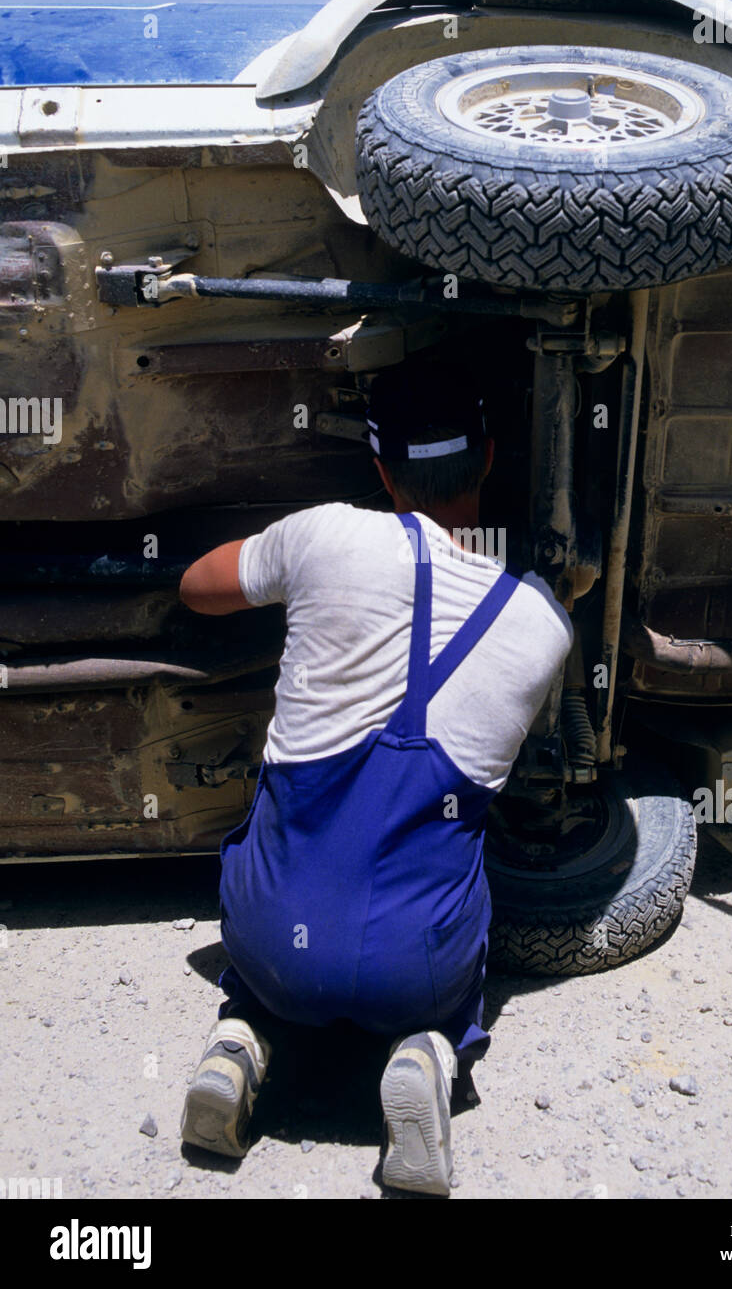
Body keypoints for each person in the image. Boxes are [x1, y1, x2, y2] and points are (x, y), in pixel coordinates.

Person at [177, 359, 572, 1195]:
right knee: (452, 917)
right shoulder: (542, 626)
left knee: (268, 956)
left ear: (381, 468)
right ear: (491, 458)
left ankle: (242, 1039)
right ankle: (429, 1049)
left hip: (270, 938)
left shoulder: (324, 536)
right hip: (413, 968)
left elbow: (197, 588)